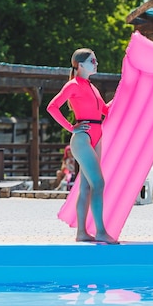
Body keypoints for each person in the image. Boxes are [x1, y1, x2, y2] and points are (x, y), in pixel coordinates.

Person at [46, 48, 118, 244]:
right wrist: (71, 127)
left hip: (96, 136)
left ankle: (82, 233)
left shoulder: (92, 87)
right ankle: (101, 231)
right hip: (83, 138)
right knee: (99, 183)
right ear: (80, 65)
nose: (96, 63)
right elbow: (52, 107)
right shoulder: (73, 85)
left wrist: (122, 94)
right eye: (92, 60)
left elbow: (105, 110)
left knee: (86, 187)